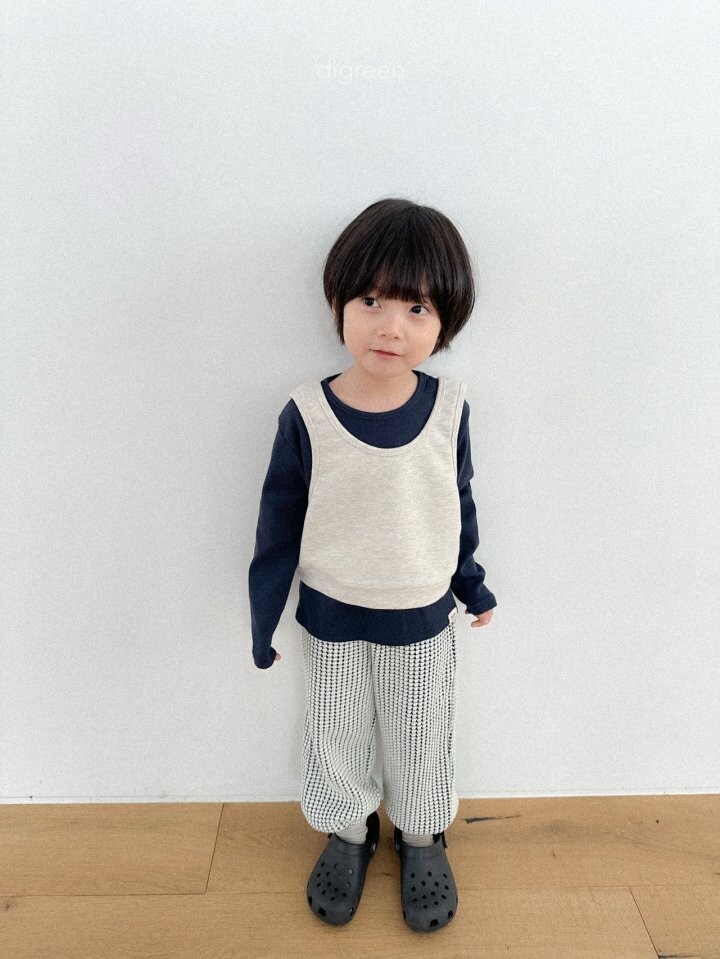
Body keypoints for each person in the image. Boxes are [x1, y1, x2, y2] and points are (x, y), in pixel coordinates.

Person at [248, 197, 496, 933]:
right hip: (331, 613)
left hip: (421, 614)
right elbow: (277, 524)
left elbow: (457, 503)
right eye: (372, 301)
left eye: (417, 308)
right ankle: (348, 831)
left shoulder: (449, 408)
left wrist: (472, 583)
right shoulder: (307, 413)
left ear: (445, 321)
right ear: (339, 303)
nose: (391, 326)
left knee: (421, 732)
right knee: (335, 729)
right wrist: (263, 618)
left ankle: (422, 836)